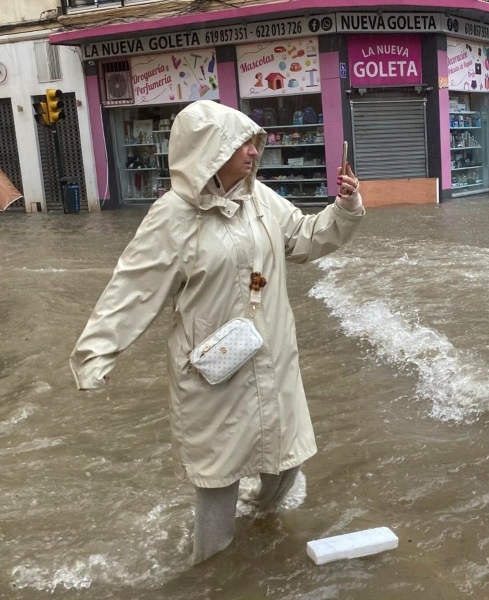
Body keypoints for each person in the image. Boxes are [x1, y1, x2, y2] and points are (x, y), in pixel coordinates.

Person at [69, 100, 365, 566]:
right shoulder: (173, 216)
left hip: (272, 357)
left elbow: (304, 237)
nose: (253, 152)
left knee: (285, 461)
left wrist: (344, 208)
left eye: (253, 142)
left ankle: (259, 526)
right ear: (210, 151)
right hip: (214, 371)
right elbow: (132, 287)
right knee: (218, 478)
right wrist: (97, 354)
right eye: (241, 144)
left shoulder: (260, 200)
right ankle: (210, 572)